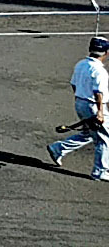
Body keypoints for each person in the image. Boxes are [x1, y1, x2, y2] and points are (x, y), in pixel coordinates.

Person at [47, 37, 109, 179]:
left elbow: (74, 84)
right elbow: (98, 92)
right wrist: (100, 112)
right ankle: (100, 171)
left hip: (81, 102)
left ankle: (58, 148)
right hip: (93, 106)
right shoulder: (99, 71)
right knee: (104, 138)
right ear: (106, 52)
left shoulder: (81, 64)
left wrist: (78, 97)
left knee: (88, 133)